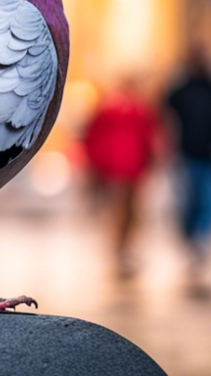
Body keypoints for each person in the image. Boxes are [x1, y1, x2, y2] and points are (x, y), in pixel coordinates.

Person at [163, 47, 211, 272]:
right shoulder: (180, 90)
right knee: (187, 204)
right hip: (186, 156)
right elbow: (166, 114)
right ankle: (191, 238)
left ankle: (202, 240)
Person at [81, 76, 162, 279]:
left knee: (128, 212)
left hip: (122, 168)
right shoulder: (134, 110)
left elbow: (92, 138)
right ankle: (122, 250)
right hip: (124, 168)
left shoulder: (116, 109)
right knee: (126, 212)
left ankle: (123, 249)